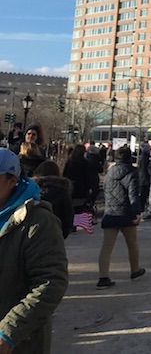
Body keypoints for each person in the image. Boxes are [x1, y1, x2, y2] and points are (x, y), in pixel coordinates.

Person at [0, 148, 68, 354]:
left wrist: (8, 333)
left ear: (12, 180)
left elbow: (51, 282)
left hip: (18, 343)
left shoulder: (37, 221)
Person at [96, 147, 146, 289]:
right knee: (132, 244)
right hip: (126, 214)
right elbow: (133, 195)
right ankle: (135, 270)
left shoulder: (110, 173)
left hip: (110, 213)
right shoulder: (132, 172)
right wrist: (137, 212)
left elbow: (106, 191)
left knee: (107, 247)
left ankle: (103, 277)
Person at [32, 160, 74, 239]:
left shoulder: (31, 190)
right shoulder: (62, 192)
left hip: (32, 233)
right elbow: (67, 217)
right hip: (55, 234)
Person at [64, 144, 99, 218]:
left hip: (71, 187)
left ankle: (72, 223)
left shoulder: (69, 162)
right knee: (80, 208)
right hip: (81, 188)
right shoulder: (84, 163)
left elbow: (65, 175)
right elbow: (87, 177)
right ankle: (78, 221)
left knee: (71, 207)